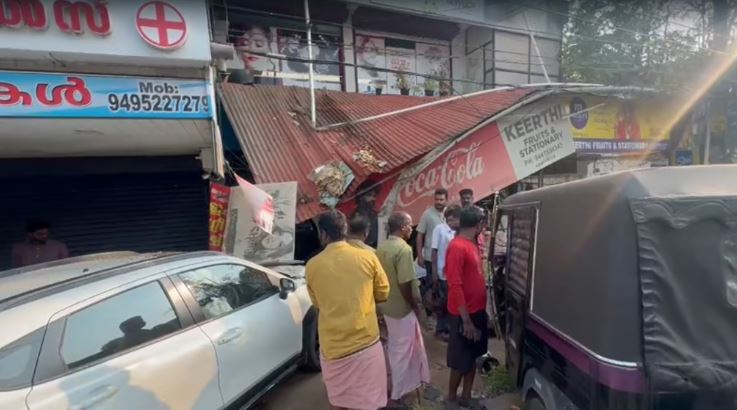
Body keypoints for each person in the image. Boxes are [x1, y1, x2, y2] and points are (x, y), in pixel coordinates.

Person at [305, 210, 390, 410]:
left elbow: (317, 303)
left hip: (333, 348)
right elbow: (383, 293)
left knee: (339, 402)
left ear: (323, 234)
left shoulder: (312, 266)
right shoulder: (367, 257)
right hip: (365, 342)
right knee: (369, 402)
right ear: (345, 230)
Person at [376, 212, 430, 406]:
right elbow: (405, 283)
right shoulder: (403, 249)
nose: (411, 228)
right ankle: (397, 394)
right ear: (403, 227)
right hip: (400, 308)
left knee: (392, 349)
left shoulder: (381, 247)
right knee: (401, 352)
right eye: (409, 225)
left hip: (384, 305)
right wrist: (414, 305)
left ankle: (393, 387)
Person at [445, 206, 489, 410]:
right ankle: (451, 398)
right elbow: (455, 285)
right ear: (478, 224)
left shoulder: (471, 244)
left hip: (476, 311)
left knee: (473, 356)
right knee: (460, 360)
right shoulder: (457, 247)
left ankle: (467, 396)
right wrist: (466, 320)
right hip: (464, 315)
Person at [431, 204, 462, 341]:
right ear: (451, 218)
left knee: (453, 302)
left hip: (454, 273)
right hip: (442, 272)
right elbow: (434, 250)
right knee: (443, 302)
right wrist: (434, 273)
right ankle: (441, 329)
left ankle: (450, 329)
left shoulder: (458, 232)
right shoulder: (440, 229)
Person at [416, 188, 448, 311]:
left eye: (441, 199)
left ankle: (443, 310)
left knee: (444, 285)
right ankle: (429, 311)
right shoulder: (427, 214)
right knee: (431, 284)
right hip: (430, 257)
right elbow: (420, 235)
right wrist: (420, 255)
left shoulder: (449, 214)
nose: (439, 202)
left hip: (445, 257)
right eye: (437, 199)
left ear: (446, 200)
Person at [352, 183, 380, 248]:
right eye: (369, 195)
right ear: (361, 197)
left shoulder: (374, 215)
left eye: (374, 196)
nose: (372, 198)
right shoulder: (356, 215)